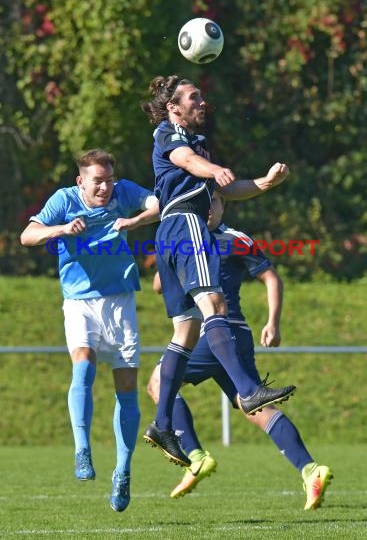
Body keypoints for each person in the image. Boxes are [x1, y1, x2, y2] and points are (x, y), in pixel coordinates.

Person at [141, 74, 296, 468]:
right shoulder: (168, 133)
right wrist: (212, 170)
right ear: (174, 106)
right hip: (185, 225)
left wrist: (264, 182)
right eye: (194, 97)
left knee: (186, 329)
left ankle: (161, 425)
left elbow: (227, 189)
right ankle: (247, 388)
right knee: (215, 303)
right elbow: (186, 162)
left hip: (168, 236)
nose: (202, 102)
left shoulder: (198, 143)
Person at [147, 193, 333, 510]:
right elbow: (158, 285)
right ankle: (310, 469)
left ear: (223, 205)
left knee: (158, 382)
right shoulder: (189, 237)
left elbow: (270, 276)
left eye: (214, 202)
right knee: (255, 408)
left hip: (218, 329)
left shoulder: (234, 239)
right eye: (203, 203)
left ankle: (195, 455)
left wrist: (273, 322)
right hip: (232, 335)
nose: (208, 208)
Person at [20, 148, 159, 513]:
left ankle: (123, 471)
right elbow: (27, 236)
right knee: (83, 365)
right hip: (79, 302)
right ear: (81, 181)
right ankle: (82, 450)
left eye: (109, 179)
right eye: (98, 181)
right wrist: (62, 229)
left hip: (120, 301)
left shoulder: (124, 191)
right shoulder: (64, 201)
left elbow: (158, 204)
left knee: (126, 390)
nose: (106, 188)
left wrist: (135, 221)